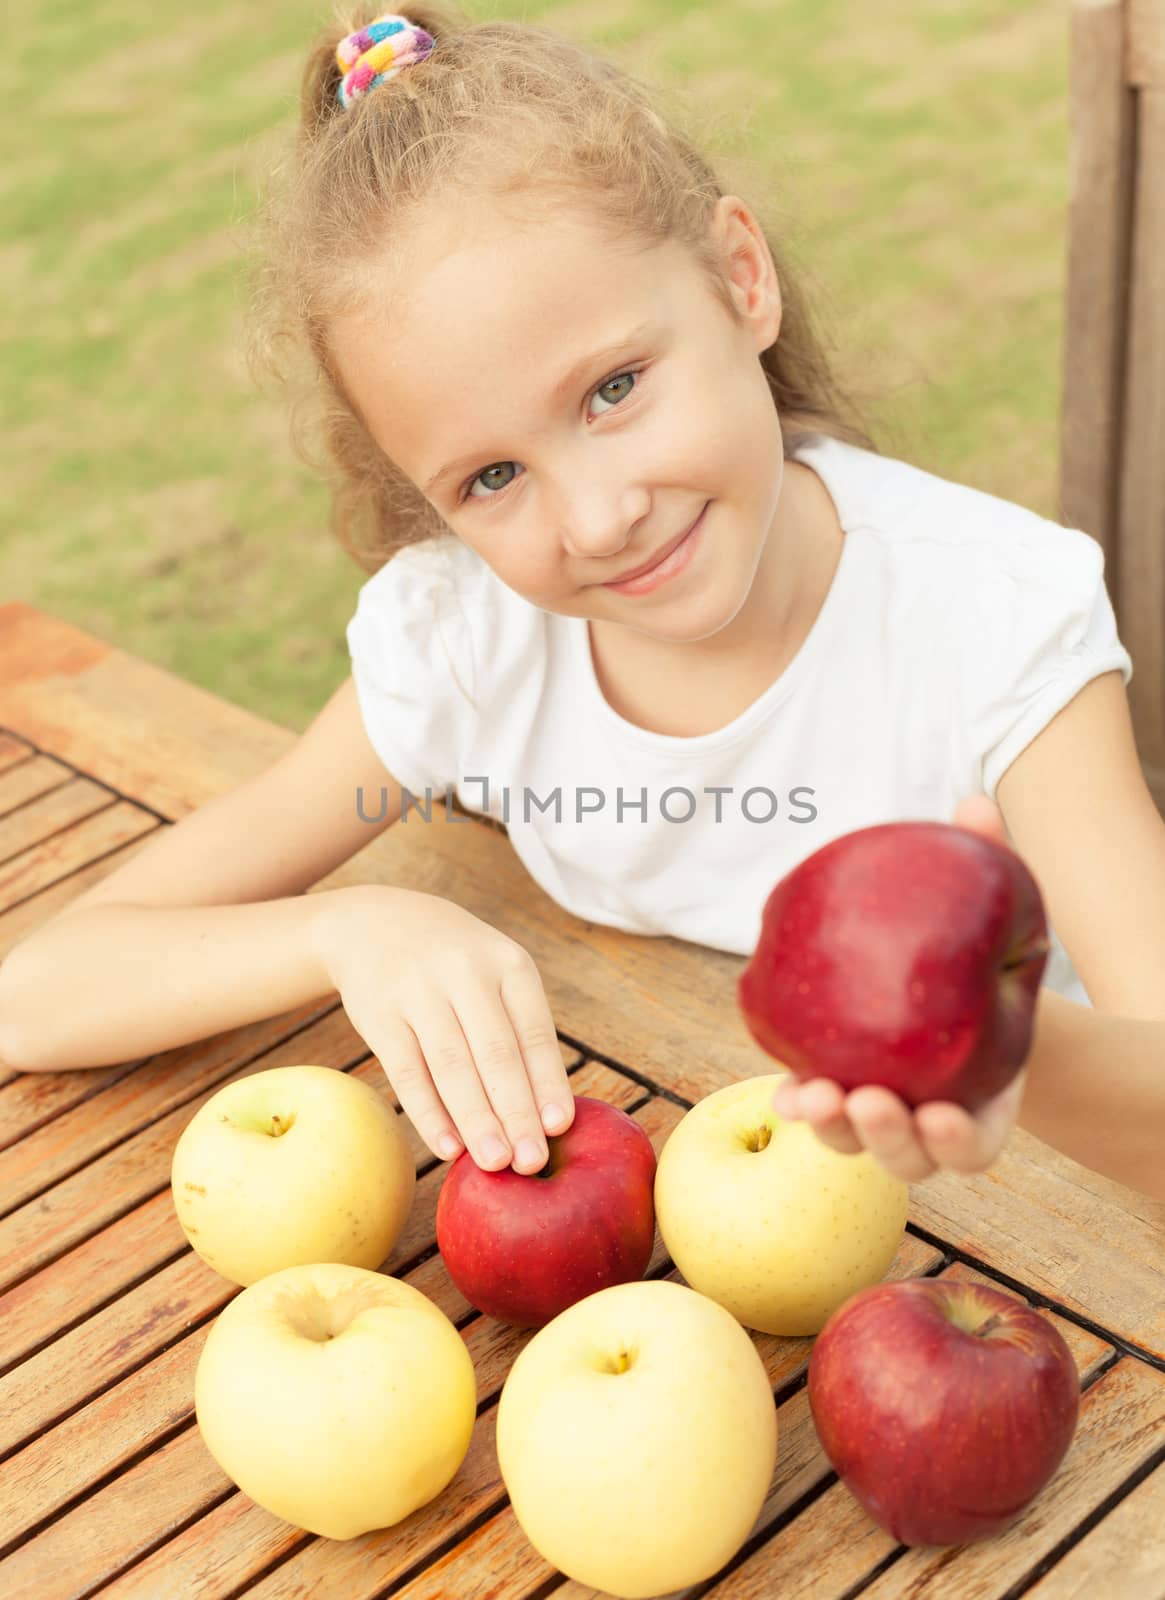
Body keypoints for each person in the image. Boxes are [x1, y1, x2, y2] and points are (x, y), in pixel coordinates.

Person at [2, 6, 1163, 1201]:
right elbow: (35, 996)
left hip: (1051, 1226)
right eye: (491, 478)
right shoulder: (471, 642)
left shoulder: (989, 618)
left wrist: (995, 1050)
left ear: (740, 281)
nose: (598, 518)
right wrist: (351, 927)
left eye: (613, 389)